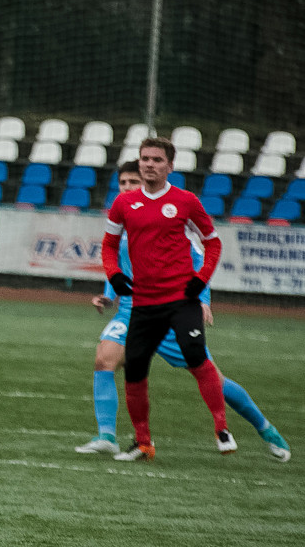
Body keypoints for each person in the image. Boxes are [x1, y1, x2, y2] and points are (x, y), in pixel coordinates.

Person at [77, 161, 290, 462]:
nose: (126, 188)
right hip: (132, 311)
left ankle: (266, 429)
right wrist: (109, 296)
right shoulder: (123, 219)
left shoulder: (172, 218)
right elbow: (119, 266)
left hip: (172, 309)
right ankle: (107, 437)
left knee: (215, 380)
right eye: (122, 182)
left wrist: (202, 300)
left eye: (132, 182)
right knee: (104, 359)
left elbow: (199, 260)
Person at [102, 137, 230, 462]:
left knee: (196, 356)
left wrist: (200, 281)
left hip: (181, 299)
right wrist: (114, 275)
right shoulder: (123, 203)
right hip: (143, 303)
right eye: (145, 158)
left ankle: (221, 429)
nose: (149, 164)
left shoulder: (186, 201)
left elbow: (213, 243)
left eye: (157, 160)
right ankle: (143, 444)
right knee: (135, 371)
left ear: (170, 166)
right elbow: (108, 245)